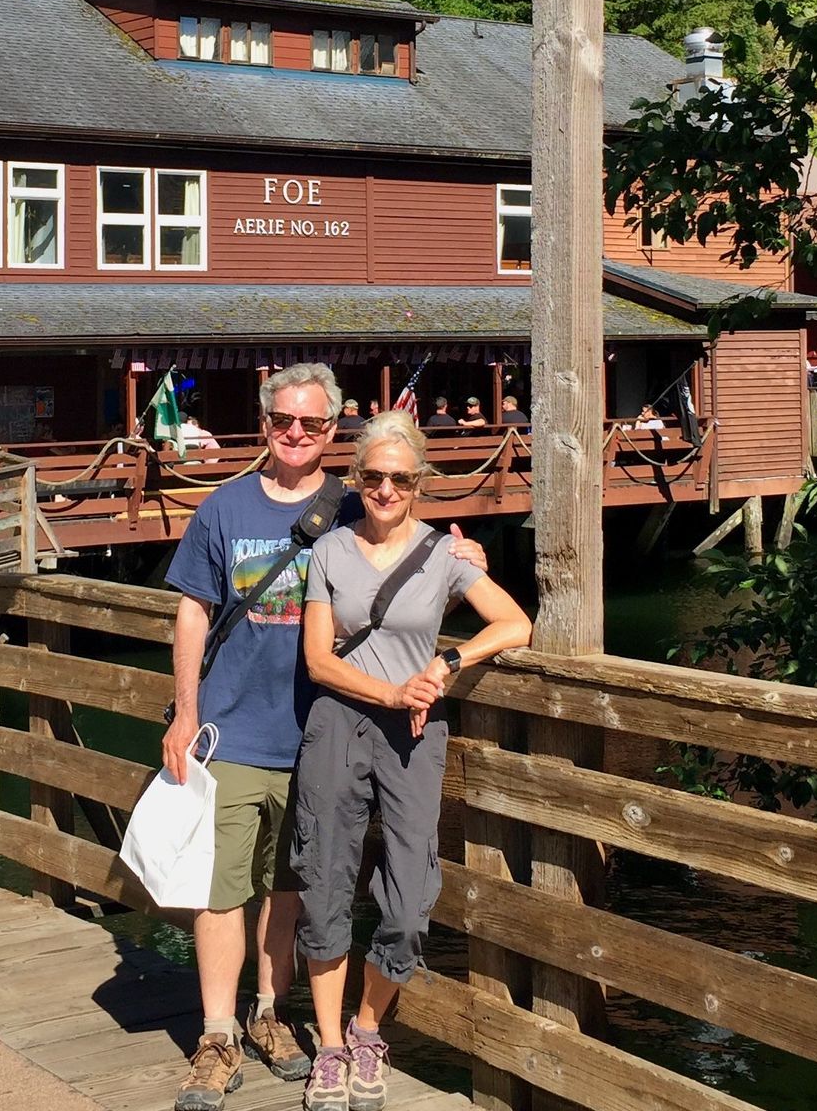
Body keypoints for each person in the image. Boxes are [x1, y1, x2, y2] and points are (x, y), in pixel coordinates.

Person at [162, 367, 490, 1111]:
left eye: (312, 424)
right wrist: (185, 713)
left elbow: (408, 535)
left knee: (295, 884)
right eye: (283, 420)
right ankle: (217, 1034)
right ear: (264, 422)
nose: (296, 434)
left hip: (318, 734)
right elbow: (191, 613)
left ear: (333, 431)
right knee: (221, 888)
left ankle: (271, 1013)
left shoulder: (353, 501)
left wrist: (467, 559)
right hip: (232, 727)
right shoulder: (223, 507)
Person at [292, 412, 532, 1110]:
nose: (386, 490)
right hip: (339, 723)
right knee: (324, 881)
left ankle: (367, 1028)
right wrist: (392, 691)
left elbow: (515, 624)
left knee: (409, 897)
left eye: (400, 478)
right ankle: (330, 1048)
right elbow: (317, 660)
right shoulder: (329, 551)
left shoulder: (446, 555)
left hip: (415, 735)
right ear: (356, 478)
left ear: (419, 483)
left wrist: (448, 661)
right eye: (373, 476)